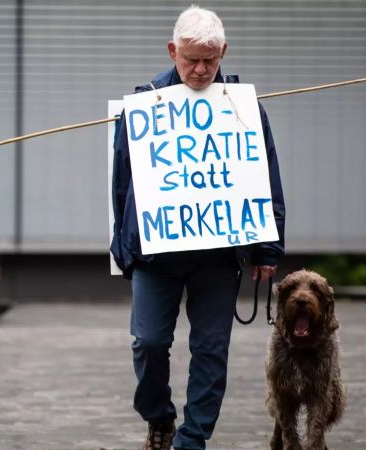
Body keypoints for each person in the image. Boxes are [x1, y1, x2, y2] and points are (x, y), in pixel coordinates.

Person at [110, 6, 286, 450]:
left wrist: (268, 249)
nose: (201, 69)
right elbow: (122, 182)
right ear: (173, 51)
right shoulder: (144, 104)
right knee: (148, 342)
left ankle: (192, 441)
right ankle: (159, 417)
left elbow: (264, 175)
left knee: (211, 352)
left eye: (211, 59)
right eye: (191, 59)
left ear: (223, 51)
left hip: (218, 254)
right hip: (155, 250)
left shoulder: (243, 107)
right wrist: (122, 244)